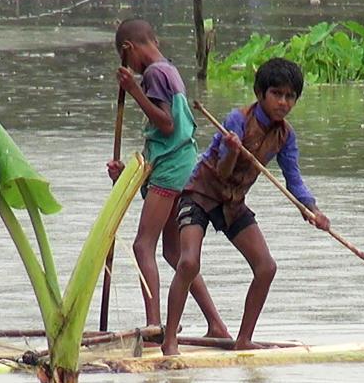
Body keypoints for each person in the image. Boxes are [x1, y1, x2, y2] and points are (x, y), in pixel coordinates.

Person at [162, 58, 331, 355]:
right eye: (276, 94)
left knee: (266, 267)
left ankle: (243, 340)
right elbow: (223, 170)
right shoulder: (237, 120)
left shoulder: (285, 136)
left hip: (233, 202)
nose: (283, 102)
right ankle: (169, 341)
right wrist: (231, 150)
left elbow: (294, 180)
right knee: (188, 263)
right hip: (200, 194)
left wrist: (312, 210)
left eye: (290, 96)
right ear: (260, 93)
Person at [108, 18, 230, 339]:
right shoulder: (169, 70)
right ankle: (216, 325)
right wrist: (126, 176)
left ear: (129, 49)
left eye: (126, 59)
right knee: (174, 254)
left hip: (172, 169)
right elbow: (164, 136)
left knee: (142, 246)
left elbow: (166, 125)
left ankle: (154, 326)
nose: (131, 68)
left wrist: (134, 90)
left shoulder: (153, 74)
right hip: (181, 165)